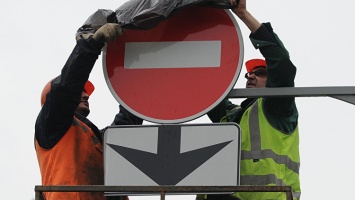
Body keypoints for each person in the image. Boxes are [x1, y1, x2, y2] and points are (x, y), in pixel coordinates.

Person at [197, 0, 301, 199]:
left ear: (273, 82)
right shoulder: (233, 115)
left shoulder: (277, 108)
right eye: (248, 74)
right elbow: (203, 87)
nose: (251, 76)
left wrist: (243, 14)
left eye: (260, 73)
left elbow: (282, 63)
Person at [34, 23, 138, 200]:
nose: (86, 96)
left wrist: (139, 85)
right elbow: (68, 85)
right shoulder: (51, 126)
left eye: (86, 92)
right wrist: (92, 44)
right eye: (80, 91)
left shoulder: (95, 139)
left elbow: (125, 126)